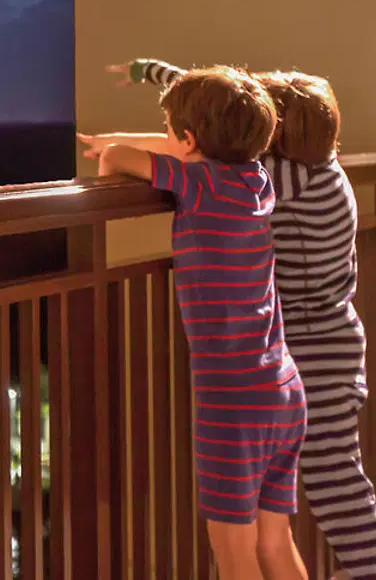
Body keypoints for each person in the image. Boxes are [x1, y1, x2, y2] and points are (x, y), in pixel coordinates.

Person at [104, 58, 374, 579]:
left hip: (254, 387)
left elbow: (185, 140)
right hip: (288, 379)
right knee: (276, 539)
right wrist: (154, 73)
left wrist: (114, 145)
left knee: (264, 531)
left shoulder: (277, 178)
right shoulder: (269, 178)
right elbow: (227, 115)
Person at [80, 66, 309, 579]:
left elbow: (121, 160)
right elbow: (175, 147)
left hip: (233, 403)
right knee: (274, 543)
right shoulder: (255, 179)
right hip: (282, 388)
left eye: (171, 132)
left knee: (234, 553)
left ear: (187, 140)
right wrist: (136, 140)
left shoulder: (197, 184)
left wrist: (112, 148)